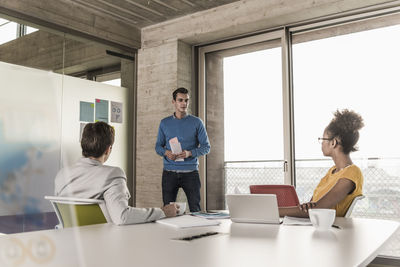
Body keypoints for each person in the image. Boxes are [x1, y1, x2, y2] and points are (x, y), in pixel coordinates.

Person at [55, 121, 178, 225]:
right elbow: (122, 217)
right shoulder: (113, 174)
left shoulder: (61, 174)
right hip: (106, 245)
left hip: (71, 245)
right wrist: (162, 212)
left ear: (83, 145)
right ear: (108, 149)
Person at [279, 109, 364, 217]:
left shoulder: (352, 172)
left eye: (323, 139)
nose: (321, 143)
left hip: (329, 230)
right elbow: (311, 205)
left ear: (333, 143)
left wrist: (274, 211)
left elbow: (316, 209)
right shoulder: (332, 171)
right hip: (315, 226)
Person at [155, 87, 211, 212]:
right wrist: (166, 152)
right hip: (169, 173)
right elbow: (158, 147)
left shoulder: (197, 122)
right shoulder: (164, 123)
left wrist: (189, 153)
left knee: (195, 209)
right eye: (180, 100)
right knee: (168, 210)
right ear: (173, 102)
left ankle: (197, 231)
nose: (184, 103)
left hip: (191, 174)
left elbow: (206, 147)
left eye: (186, 100)